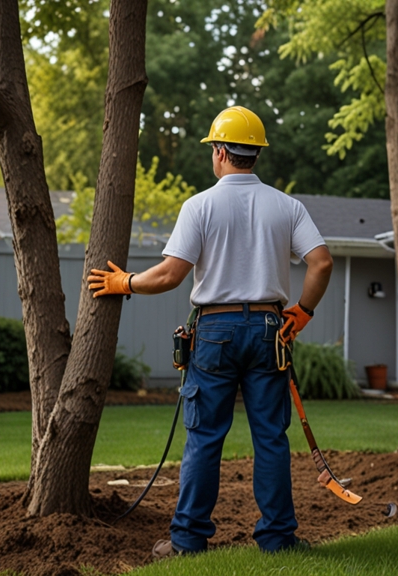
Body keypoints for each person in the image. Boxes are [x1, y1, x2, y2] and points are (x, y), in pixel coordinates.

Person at [87, 105, 333, 556]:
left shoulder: (200, 205)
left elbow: (170, 275)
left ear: (220, 151)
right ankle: (278, 540)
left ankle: (188, 541)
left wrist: (124, 283)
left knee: (204, 436)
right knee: (270, 438)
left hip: (215, 331)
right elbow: (321, 262)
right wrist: (302, 312)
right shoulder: (287, 206)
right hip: (268, 329)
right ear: (255, 153)